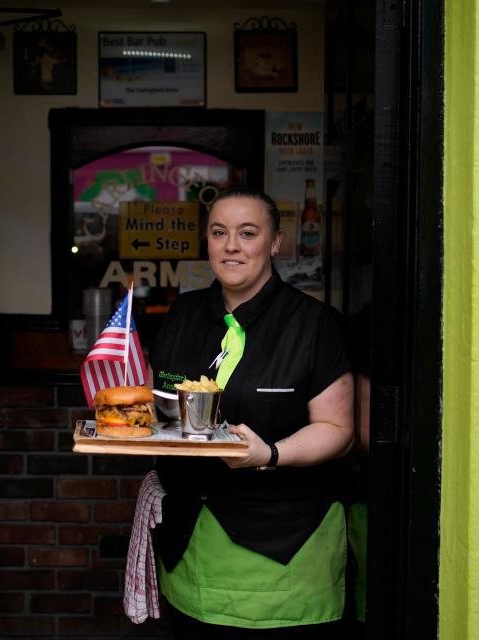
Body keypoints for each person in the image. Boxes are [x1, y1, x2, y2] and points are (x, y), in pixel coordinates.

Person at [148, 186, 355, 637]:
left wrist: (271, 454)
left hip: (284, 549)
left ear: (275, 241)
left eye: (248, 232)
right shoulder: (182, 314)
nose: (231, 246)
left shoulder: (314, 323)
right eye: (219, 232)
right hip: (189, 543)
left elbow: (339, 429)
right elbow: (160, 406)